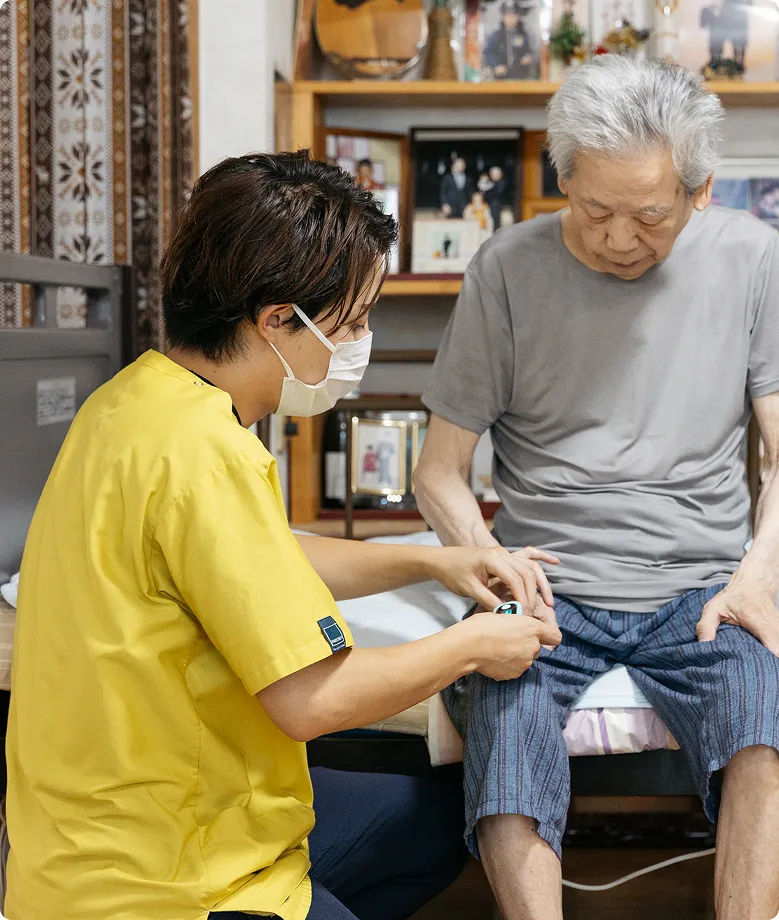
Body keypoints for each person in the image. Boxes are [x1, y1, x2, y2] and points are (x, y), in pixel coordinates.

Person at [5, 151, 562, 920]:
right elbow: (310, 700)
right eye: (354, 322)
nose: (360, 341)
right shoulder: (203, 454)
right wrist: (474, 647)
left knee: (432, 821)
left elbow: (256, 556)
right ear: (275, 319)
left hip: (87, 832)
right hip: (163, 876)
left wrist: (433, 561)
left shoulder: (134, 401)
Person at [414, 56, 779, 920]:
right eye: (593, 210)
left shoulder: (754, 258)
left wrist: (758, 573)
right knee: (502, 712)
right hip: (547, 582)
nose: (619, 238)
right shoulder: (506, 267)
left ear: (698, 192)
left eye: (649, 215)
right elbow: (437, 471)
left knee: (762, 720)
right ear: (562, 179)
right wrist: (492, 566)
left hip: (701, 585)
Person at [483, 1, 539, 81]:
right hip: (501, 77)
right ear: (503, 17)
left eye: (514, 16)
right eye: (508, 16)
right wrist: (496, 65)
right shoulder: (496, 35)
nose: (511, 19)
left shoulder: (522, 35)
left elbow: (528, 51)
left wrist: (528, 57)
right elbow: (488, 52)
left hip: (519, 76)